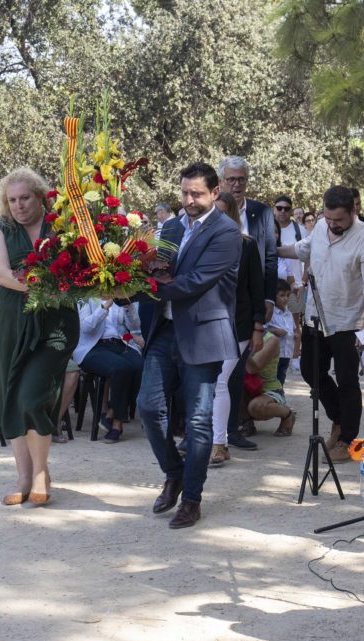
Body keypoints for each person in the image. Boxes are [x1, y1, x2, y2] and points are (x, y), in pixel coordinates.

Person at [138, 161, 242, 529]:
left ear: (215, 193)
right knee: (148, 407)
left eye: (196, 194)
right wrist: (124, 282)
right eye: (184, 193)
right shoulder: (169, 226)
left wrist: (146, 287)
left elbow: (196, 281)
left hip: (203, 334)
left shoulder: (226, 232)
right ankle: (174, 473)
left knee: (198, 423)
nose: (189, 200)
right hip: (163, 329)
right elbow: (154, 268)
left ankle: (192, 499)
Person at [0, 168, 79, 506]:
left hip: (56, 322)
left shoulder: (62, 226)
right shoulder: (0, 227)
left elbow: (81, 267)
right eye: (12, 200)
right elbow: (1, 273)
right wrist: (43, 285)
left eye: (25, 198)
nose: (19, 205)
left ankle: (39, 474)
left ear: (40, 196)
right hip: (12, 321)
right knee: (13, 395)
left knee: (32, 393)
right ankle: (26, 477)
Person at [276, 185, 364, 462]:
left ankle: (348, 439)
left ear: (353, 211)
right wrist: (272, 251)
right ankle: (338, 418)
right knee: (313, 373)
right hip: (316, 316)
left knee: (347, 381)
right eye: (329, 218)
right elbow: (303, 249)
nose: (332, 225)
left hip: (349, 323)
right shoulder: (322, 226)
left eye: (339, 220)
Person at [208, 191, 264, 466]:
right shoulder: (202, 242)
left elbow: (257, 288)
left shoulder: (247, 245)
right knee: (211, 381)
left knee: (220, 379)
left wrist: (258, 328)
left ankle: (220, 443)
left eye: (221, 211)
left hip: (238, 324)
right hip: (208, 322)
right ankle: (209, 439)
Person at [73, 298, 144, 444]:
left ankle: (111, 412)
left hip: (119, 343)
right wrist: (104, 307)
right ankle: (117, 424)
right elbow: (86, 327)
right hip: (92, 347)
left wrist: (128, 306)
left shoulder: (122, 294)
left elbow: (135, 326)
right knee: (121, 368)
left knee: (140, 366)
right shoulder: (85, 296)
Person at [218, 156, 277, 317]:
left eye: (241, 179)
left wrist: (270, 299)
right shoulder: (211, 212)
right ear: (221, 181)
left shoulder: (262, 212)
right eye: (231, 179)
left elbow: (271, 257)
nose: (237, 185)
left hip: (253, 300)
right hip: (218, 299)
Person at [241, 332, 296, 437]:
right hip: (245, 389)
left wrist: (239, 348)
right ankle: (246, 422)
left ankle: (287, 414)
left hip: (269, 391)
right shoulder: (238, 335)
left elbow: (253, 368)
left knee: (256, 407)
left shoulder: (271, 340)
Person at [267, 279, 295, 386]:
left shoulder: (288, 313)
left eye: (288, 295)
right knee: (273, 379)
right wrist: (274, 331)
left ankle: (279, 397)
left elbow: (294, 331)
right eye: (282, 295)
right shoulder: (271, 313)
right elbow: (263, 330)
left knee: (281, 378)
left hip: (286, 354)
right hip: (274, 355)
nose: (286, 298)